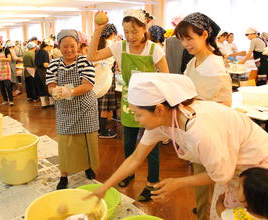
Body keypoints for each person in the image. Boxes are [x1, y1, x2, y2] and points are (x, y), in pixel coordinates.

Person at [90, 73, 268, 219]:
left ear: (159, 109)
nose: (135, 120)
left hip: (258, 169)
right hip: (232, 166)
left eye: (138, 115)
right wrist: (104, 188)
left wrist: (177, 183)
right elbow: (136, 158)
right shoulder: (163, 121)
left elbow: (221, 175)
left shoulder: (200, 130)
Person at [88, 9, 169, 201]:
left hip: (150, 106)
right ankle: (128, 174)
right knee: (129, 143)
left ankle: (152, 183)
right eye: (126, 32)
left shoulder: (154, 49)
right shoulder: (119, 47)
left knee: (152, 146)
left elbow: (166, 78)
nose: (130, 36)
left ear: (144, 28)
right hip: (129, 103)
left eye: (134, 31)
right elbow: (92, 56)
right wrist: (98, 29)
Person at [174, 12, 232, 219]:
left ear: (205, 34)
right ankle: (203, 210)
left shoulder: (214, 65)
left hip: (208, 130)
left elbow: (225, 104)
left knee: (206, 180)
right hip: (195, 127)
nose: (185, 44)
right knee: (201, 179)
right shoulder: (194, 62)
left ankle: (204, 214)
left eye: (189, 38)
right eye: (182, 39)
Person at [46, 29, 99, 190]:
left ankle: (88, 167)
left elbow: (88, 85)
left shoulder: (85, 61)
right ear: (59, 46)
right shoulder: (54, 63)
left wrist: (70, 91)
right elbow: (51, 84)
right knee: (65, 145)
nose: (69, 50)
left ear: (78, 45)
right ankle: (64, 175)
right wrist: (54, 91)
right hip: (65, 110)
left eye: (72, 46)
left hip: (85, 108)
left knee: (86, 142)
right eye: (65, 46)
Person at [96, 24, 118, 139]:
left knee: (99, 105)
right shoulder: (112, 45)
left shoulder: (98, 44)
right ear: (113, 34)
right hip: (107, 78)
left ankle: (98, 128)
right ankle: (103, 131)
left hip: (97, 78)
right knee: (105, 106)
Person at [0, 36, 14, 106]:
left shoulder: (6, 49)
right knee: (2, 86)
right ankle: (5, 100)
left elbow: (9, 59)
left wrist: (0, 59)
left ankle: (11, 100)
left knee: (8, 85)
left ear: (0, 42)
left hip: (6, 69)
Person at [35, 40, 53, 108]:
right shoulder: (45, 53)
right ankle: (52, 103)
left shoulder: (37, 51)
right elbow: (45, 64)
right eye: (51, 47)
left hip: (37, 72)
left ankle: (44, 104)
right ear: (47, 46)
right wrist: (52, 65)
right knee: (48, 86)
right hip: (43, 72)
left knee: (40, 88)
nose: (51, 48)